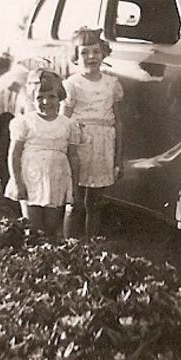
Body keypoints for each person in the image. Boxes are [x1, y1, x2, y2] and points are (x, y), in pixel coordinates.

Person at [62, 27, 124, 238]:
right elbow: (63, 122)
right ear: (76, 56)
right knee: (75, 202)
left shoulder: (111, 84)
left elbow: (118, 122)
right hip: (79, 147)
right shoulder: (72, 85)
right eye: (84, 52)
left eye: (96, 52)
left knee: (95, 203)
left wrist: (118, 157)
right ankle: (69, 247)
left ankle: (92, 248)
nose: (91, 57)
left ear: (103, 53)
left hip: (103, 146)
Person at [4, 69, 80, 238]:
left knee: (52, 228)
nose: (46, 102)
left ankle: (51, 258)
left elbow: (73, 156)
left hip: (57, 179)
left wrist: (74, 187)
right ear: (31, 98)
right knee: (33, 228)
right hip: (31, 179)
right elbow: (14, 154)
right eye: (39, 97)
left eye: (52, 96)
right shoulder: (24, 123)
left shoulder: (68, 125)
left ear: (60, 96)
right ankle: (34, 258)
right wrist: (18, 183)